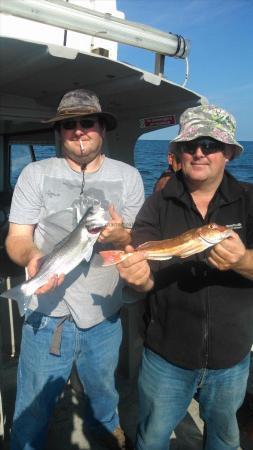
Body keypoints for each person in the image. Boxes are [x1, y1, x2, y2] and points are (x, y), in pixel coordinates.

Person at [5, 88, 144, 450]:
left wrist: (121, 234)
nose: (79, 131)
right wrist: (33, 257)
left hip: (105, 317)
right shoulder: (35, 174)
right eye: (70, 124)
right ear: (59, 131)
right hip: (47, 316)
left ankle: (110, 438)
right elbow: (17, 238)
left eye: (88, 122)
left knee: (103, 396)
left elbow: (133, 239)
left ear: (102, 127)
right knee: (33, 410)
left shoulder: (129, 177)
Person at [117, 104, 253, 450]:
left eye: (210, 145)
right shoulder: (158, 203)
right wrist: (136, 276)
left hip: (231, 357)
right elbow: (147, 278)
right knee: (152, 438)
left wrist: (241, 260)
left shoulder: (250, 201)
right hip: (166, 354)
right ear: (178, 151)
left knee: (223, 438)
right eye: (190, 144)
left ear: (229, 154)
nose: (199, 152)